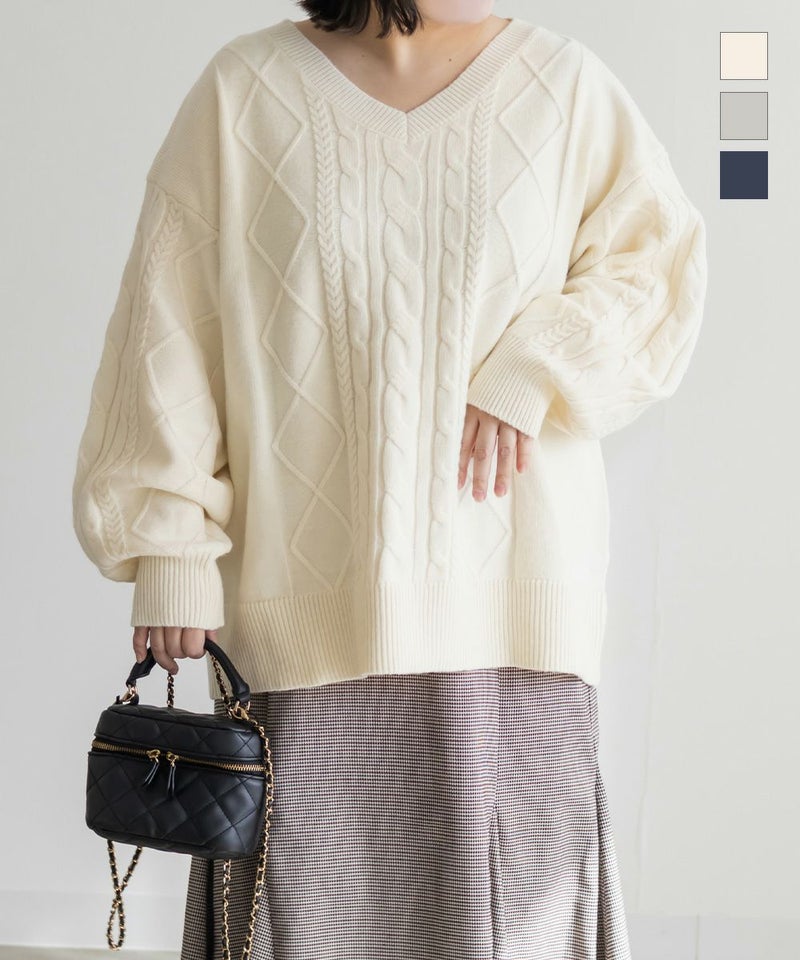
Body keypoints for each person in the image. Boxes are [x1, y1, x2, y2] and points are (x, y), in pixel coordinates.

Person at [71, 0, 708, 957]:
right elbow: (164, 338)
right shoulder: (244, 93)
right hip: (304, 629)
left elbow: (659, 271)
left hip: (513, 626)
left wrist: (536, 365)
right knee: (297, 923)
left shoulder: (564, 86)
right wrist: (168, 544)